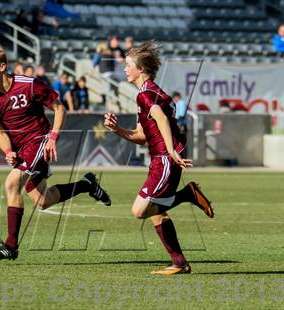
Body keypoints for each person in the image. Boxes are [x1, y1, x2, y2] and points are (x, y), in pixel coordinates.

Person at [0, 45, 111, 260]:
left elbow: (60, 108)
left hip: (39, 140)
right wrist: (8, 151)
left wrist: (52, 137)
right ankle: (87, 185)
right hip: (22, 150)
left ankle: (11, 246)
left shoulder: (28, 85)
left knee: (12, 184)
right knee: (43, 201)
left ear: (2, 66)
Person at [104, 41, 214, 275]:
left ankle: (187, 194)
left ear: (140, 69)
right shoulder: (149, 92)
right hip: (161, 156)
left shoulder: (146, 95)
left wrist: (171, 151)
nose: (124, 69)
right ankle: (179, 263)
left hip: (165, 157)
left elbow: (161, 119)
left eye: (127, 65)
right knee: (155, 211)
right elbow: (141, 136)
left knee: (140, 210)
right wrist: (117, 130)